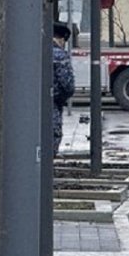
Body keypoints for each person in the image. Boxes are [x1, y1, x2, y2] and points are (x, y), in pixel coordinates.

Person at [52, 21, 75, 155]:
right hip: (54, 103)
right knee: (53, 135)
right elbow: (67, 85)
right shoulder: (60, 55)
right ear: (61, 39)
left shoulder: (36, 49)